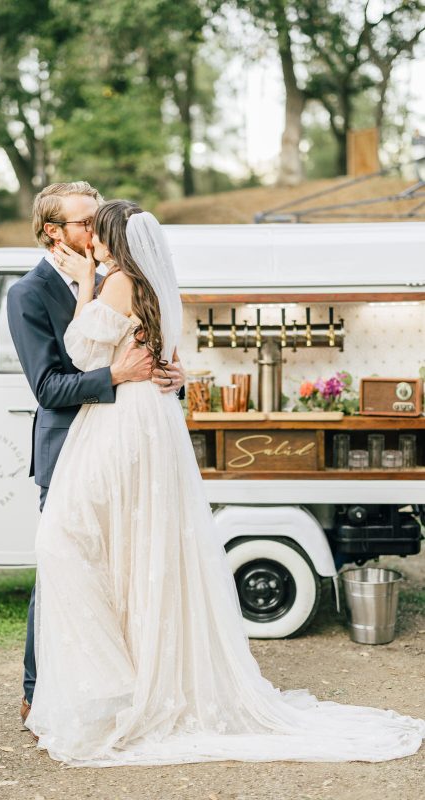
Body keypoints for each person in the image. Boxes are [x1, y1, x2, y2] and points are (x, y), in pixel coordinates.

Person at [25, 199, 424, 766]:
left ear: (111, 240)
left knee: (75, 541)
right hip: (152, 421)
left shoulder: (116, 283)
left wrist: (89, 281)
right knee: (141, 550)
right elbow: (167, 356)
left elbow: (78, 350)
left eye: (98, 234)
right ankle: (128, 677)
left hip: (122, 424)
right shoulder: (158, 288)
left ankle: (124, 685)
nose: (91, 241)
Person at [7, 183, 185, 730]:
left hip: (126, 446)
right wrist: (117, 375)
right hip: (68, 450)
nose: (97, 228)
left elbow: (148, 348)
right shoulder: (29, 294)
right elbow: (49, 386)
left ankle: (130, 687)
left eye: (98, 219)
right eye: (84, 222)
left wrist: (171, 379)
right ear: (53, 231)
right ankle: (40, 692)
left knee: (129, 567)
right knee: (63, 564)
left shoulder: (116, 277)